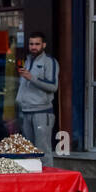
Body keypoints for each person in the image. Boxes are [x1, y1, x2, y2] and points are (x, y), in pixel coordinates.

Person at [17, 32, 58, 166]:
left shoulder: (49, 62)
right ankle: (33, 182)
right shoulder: (27, 60)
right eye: (31, 44)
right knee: (28, 151)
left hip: (42, 112)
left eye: (37, 44)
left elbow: (53, 86)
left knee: (43, 151)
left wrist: (31, 78)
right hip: (26, 110)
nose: (33, 47)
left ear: (43, 45)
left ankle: (48, 183)